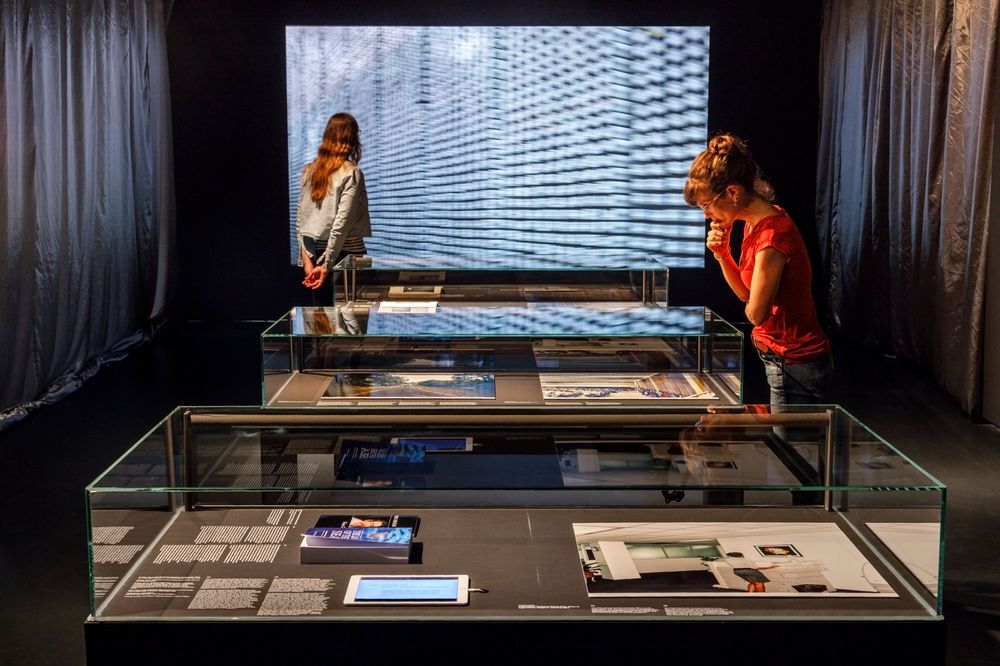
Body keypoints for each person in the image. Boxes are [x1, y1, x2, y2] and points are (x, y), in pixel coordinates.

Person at [684, 133, 832, 407]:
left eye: (707, 205)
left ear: (732, 192)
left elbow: (756, 314)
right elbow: (744, 294)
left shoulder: (772, 238)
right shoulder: (755, 223)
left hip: (795, 364)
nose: (706, 215)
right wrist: (722, 255)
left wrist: (754, 304)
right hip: (780, 360)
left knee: (793, 448)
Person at [295, 112, 371, 301]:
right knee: (352, 323)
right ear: (352, 138)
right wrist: (327, 265)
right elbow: (341, 224)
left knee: (320, 322)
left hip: (316, 257)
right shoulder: (351, 173)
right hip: (346, 256)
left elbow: (301, 221)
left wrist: (308, 263)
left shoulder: (309, 171)